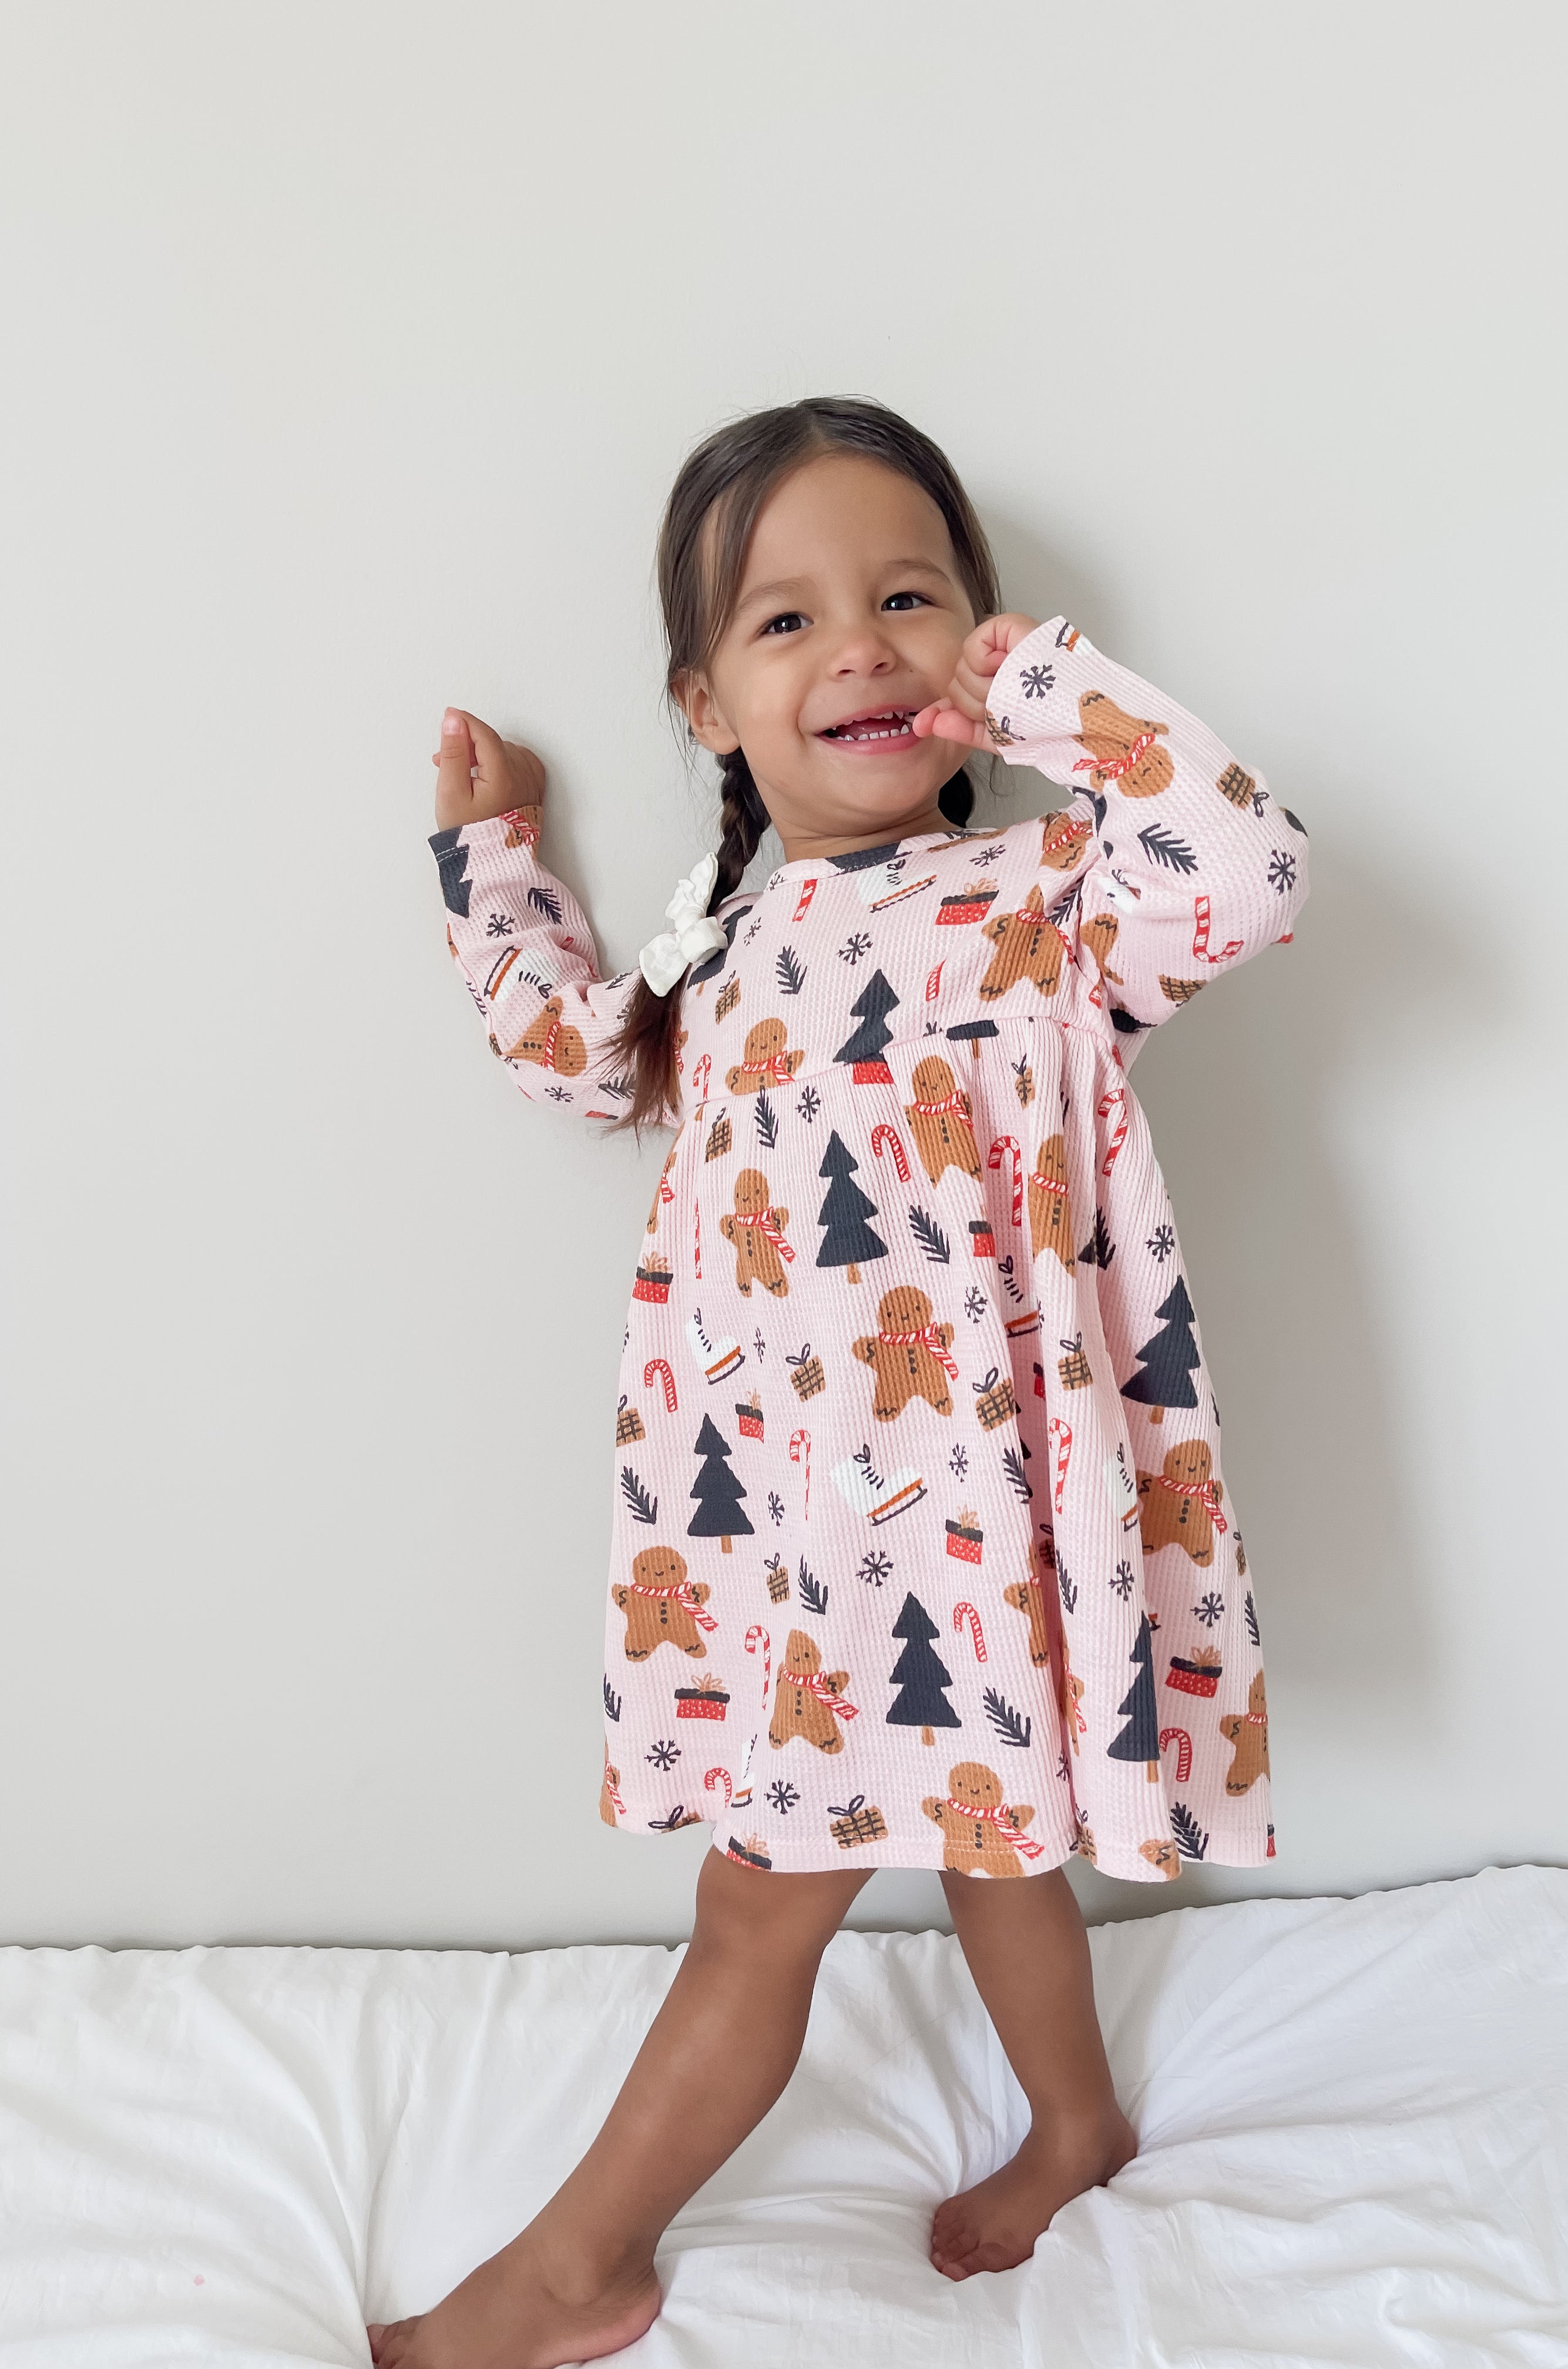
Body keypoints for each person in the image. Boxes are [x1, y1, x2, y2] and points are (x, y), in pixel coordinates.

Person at [371, 397, 1309, 2368]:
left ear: (977, 646)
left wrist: (1034, 685)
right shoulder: (719, 950)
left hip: (968, 1513)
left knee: (775, 1904)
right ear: (707, 706)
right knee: (986, 1836)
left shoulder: (1047, 905)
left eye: (909, 599)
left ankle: (577, 2273)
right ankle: (1077, 2118)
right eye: (787, 624)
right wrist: (491, 850)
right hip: (793, 1538)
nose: (862, 645)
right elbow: (565, 1056)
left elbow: (1248, 865)